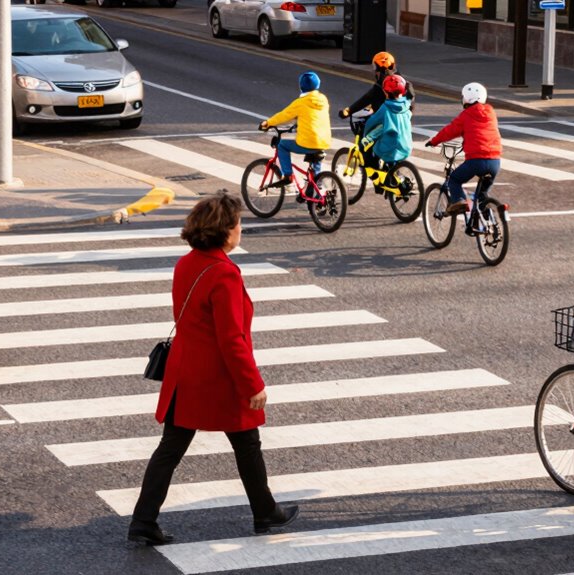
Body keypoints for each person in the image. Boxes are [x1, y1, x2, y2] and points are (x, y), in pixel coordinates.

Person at [128, 193, 299, 545]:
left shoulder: (186, 262)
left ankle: (143, 521)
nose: (241, 230)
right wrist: (253, 384)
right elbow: (231, 339)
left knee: (170, 449)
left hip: (184, 374)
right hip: (217, 377)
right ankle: (265, 513)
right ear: (225, 231)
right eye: (238, 224)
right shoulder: (225, 274)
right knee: (247, 442)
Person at [425, 82, 502, 216]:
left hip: (476, 161)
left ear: (466, 99)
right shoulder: (491, 112)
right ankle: (487, 225)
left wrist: (434, 141)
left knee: (454, 180)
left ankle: (459, 201)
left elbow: (449, 131)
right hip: (495, 161)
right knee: (482, 195)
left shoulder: (466, 115)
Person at [259, 72, 331, 196]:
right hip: (323, 141)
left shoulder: (300, 102)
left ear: (301, 86)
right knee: (315, 171)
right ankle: (317, 196)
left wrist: (267, 123)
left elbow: (284, 115)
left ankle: (287, 176)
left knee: (282, 145)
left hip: (308, 141)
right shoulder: (323, 100)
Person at [360, 74, 412, 187]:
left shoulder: (385, 108)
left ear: (385, 92)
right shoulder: (407, 105)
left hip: (389, 149)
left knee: (368, 153)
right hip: (406, 145)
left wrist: (365, 133)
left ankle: (377, 178)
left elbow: (372, 123)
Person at [338, 51, 416, 119]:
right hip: (404, 123)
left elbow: (365, 99)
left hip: (385, 123)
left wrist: (348, 111)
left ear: (378, 69)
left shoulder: (381, 86)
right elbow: (411, 103)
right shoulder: (404, 83)